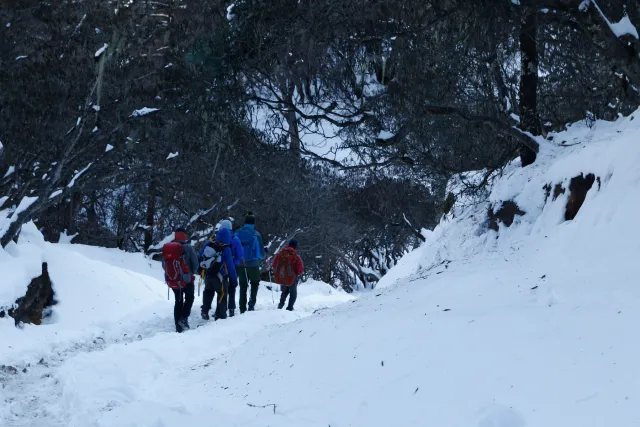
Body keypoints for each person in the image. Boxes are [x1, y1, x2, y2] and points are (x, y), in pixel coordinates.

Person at [162, 227, 199, 333]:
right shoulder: (188, 247)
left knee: (178, 301)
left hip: (173, 280)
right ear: (184, 235)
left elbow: (164, 265)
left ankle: (178, 327)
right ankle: (183, 319)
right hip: (187, 280)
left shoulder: (168, 248)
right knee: (189, 298)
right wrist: (190, 272)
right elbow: (195, 264)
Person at [199, 225, 238, 321]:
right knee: (222, 294)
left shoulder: (209, 243)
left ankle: (205, 310)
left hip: (208, 274)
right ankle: (220, 315)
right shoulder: (226, 249)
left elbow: (200, 255)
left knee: (208, 292)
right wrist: (234, 278)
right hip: (220, 276)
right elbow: (230, 266)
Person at [234, 211, 266, 312]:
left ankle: (242, 308)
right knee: (255, 283)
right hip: (253, 264)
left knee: (243, 285)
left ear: (245, 222)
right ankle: (251, 304)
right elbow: (260, 254)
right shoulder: (256, 234)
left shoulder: (237, 233)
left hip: (240, 263)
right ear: (253, 223)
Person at [219, 220, 244, 317]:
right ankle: (231, 309)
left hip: (221, 266)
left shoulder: (219, 238)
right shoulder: (235, 239)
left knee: (222, 287)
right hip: (234, 266)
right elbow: (240, 255)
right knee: (232, 288)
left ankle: (221, 309)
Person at [272, 239, 304, 311]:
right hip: (292, 278)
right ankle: (289, 308)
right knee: (293, 294)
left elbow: (274, 264)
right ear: (295, 246)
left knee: (284, 291)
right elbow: (300, 270)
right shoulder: (296, 256)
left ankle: (280, 306)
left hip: (282, 276)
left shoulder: (280, 254)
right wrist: (297, 274)